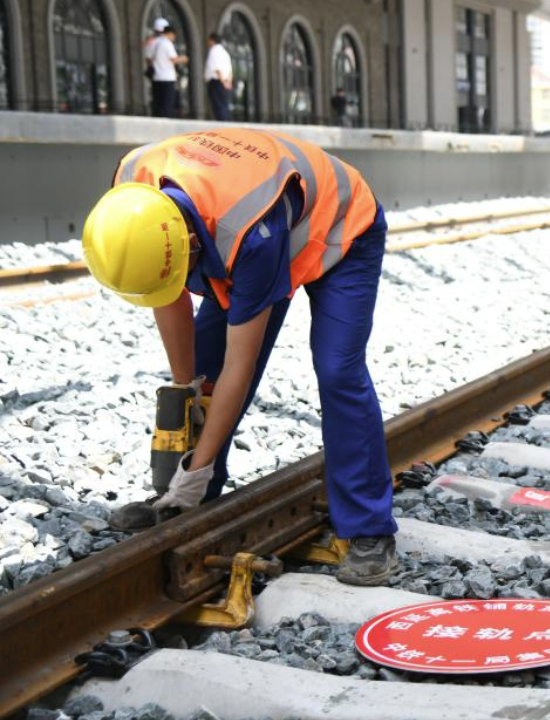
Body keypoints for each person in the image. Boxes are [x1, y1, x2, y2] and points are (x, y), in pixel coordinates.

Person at [81, 128, 399, 586]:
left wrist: (196, 462)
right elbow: (165, 295)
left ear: (188, 244)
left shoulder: (249, 232)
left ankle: (369, 527)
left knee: (337, 370)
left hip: (341, 231)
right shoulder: (132, 196)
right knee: (203, 369)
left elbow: (240, 368)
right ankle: (191, 495)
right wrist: (184, 389)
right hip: (259, 218)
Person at [146, 23, 187, 118]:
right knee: (167, 104)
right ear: (170, 34)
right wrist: (184, 59)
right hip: (167, 78)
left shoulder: (154, 42)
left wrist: (153, 67)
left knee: (157, 102)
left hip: (156, 77)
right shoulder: (167, 43)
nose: (174, 38)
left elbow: (148, 58)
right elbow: (173, 59)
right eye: (174, 36)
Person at [204, 32, 233, 121]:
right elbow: (230, 70)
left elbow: (217, 69)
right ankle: (226, 123)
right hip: (225, 82)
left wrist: (223, 82)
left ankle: (222, 124)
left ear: (212, 40)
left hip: (217, 82)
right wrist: (228, 82)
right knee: (224, 104)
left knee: (218, 105)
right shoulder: (225, 53)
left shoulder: (214, 51)